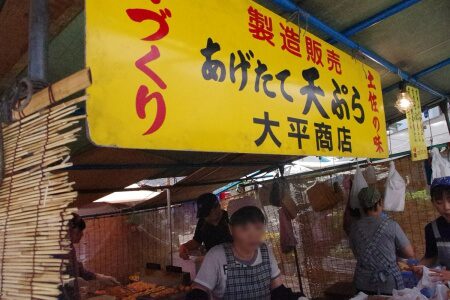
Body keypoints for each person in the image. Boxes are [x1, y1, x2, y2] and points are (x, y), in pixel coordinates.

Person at [186, 206, 302, 300]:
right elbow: (198, 292)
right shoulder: (217, 255)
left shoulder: (265, 250)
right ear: (231, 230)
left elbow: (277, 289)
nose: (252, 236)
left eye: (258, 228)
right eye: (244, 229)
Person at [346, 187, 414, 295]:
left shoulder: (353, 228)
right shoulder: (391, 225)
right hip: (388, 284)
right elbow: (409, 253)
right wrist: (392, 251)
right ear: (380, 202)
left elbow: (357, 254)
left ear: (362, 207)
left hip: (363, 284)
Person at [62, 214, 119, 299]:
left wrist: (99, 277)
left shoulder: (70, 247)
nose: (82, 235)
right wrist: (69, 282)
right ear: (67, 231)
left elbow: (78, 269)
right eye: (79, 232)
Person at [179, 193, 232, 259]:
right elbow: (196, 241)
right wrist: (184, 247)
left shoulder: (230, 219)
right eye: (203, 215)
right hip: (213, 261)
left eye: (206, 214)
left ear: (217, 207)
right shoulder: (202, 221)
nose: (205, 217)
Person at [419, 176, 450, 282]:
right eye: (439, 202)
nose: (446, 207)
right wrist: (420, 267)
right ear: (433, 203)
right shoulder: (432, 229)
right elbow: (430, 256)